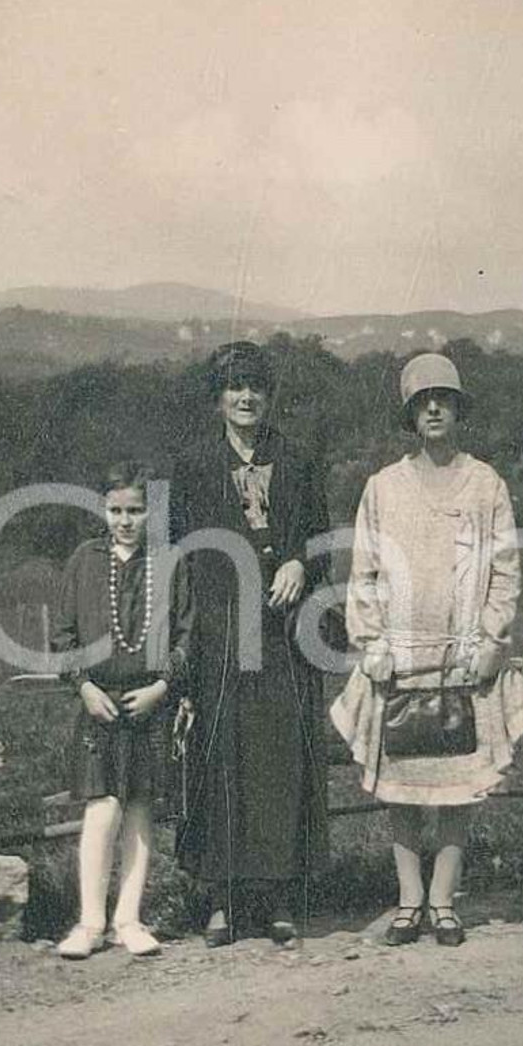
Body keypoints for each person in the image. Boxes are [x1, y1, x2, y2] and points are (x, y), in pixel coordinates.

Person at [331, 353, 520, 947]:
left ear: (458, 408)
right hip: (401, 654)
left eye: (443, 398)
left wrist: (491, 639)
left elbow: (506, 569)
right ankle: (409, 899)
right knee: (404, 785)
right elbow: (363, 572)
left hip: (464, 655)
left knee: (460, 781)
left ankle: (444, 900)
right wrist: (372, 642)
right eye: (422, 401)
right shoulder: (383, 488)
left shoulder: (486, 483)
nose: (433, 408)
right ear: (410, 415)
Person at [171, 341, 330, 946]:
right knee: (221, 759)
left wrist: (298, 563)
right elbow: (176, 552)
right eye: (235, 388)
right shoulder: (192, 465)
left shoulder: (296, 459)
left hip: (283, 635)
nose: (246, 398)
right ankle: (221, 899)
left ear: (268, 396)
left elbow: (320, 540)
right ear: (219, 398)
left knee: (278, 761)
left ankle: (276, 896)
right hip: (218, 635)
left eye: (255, 388)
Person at [51, 460, 193, 959]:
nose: (125, 520)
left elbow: (185, 637)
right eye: (116, 510)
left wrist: (161, 687)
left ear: (149, 511)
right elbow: (64, 637)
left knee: (138, 809)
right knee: (101, 807)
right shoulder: (85, 561)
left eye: (135, 509)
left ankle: (128, 920)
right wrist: (84, 686)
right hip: (99, 703)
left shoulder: (169, 561)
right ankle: (89, 922)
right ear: (102, 509)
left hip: (147, 703)